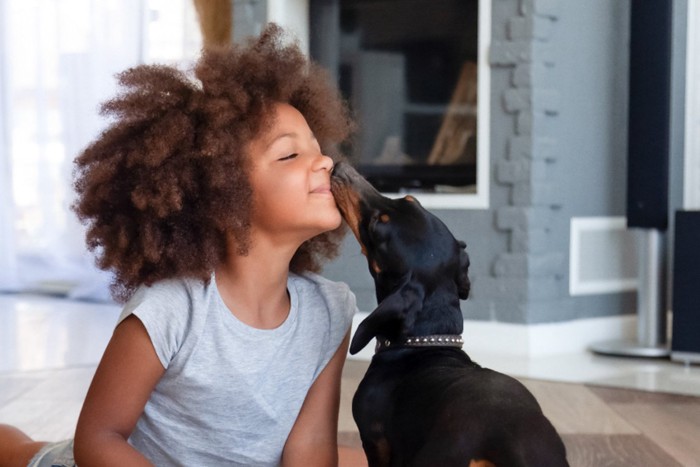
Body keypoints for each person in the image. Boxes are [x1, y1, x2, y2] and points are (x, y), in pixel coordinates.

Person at [0, 24, 366, 466]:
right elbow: (98, 438)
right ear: (224, 195)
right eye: (290, 155)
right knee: (22, 452)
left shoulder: (329, 312)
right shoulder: (173, 307)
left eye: (317, 147)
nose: (325, 160)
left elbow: (308, 448)